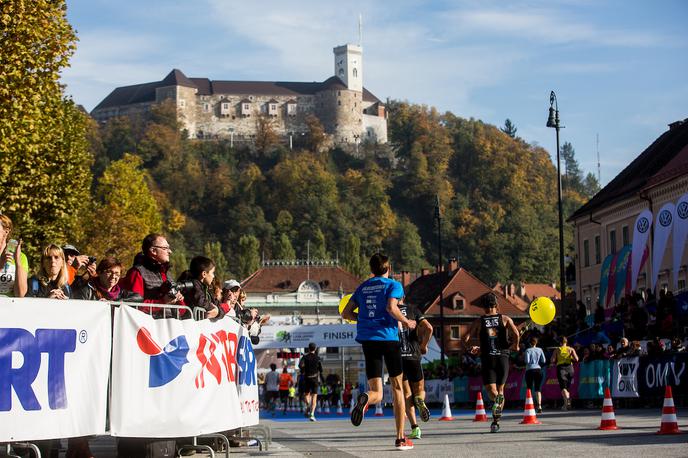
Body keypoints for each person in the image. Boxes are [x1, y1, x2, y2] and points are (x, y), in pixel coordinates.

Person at [342, 253, 416, 451]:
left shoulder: (362, 287)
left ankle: (366, 397)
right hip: (388, 340)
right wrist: (407, 321)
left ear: (372, 269)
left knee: (377, 392)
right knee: (398, 388)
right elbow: (392, 308)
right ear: (388, 268)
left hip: (368, 340)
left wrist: (364, 319)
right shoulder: (394, 285)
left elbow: (345, 313)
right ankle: (401, 438)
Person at [462, 292, 520, 433]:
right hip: (503, 358)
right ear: (496, 305)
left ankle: (496, 403)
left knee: (491, 391)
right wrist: (516, 346)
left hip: (488, 358)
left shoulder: (479, 321)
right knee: (501, 391)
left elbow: (465, 337)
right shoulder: (505, 319)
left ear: (483, 307)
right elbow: (516, 334)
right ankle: (495, 422)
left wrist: (471, 348)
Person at [119, 233, 186, 317]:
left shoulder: (167, 274)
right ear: (153, 251)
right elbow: (134, 305)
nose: (170, 251)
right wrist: (162, 302)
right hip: (149, 327)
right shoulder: (137, 272)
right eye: (165, 248)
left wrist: (179, 300)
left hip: (170, 326)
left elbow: (182, 311)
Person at [398, 297, 433, 440]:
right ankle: (420, 400)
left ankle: (415, 428)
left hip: (398, 357)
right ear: (403, 297)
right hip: (413, 355)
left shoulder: (389, 311)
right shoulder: (413, 310)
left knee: (406, 394)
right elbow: (429, 328)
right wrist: (423, 345)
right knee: (419, 390)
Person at [72, 256, 139, 302]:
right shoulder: (87, 290)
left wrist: (113, 303)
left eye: (117, 273)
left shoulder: (121, 293)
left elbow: (139, 298)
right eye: (109, 272)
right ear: (99, 272)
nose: (113, 276)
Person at [0, 214, 27, 297]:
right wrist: (1, 264)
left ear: (6, 231)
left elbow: (20, 294)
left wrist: (17, 261)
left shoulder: (21, 257)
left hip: (10, 307)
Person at [551, 336, 579, 410]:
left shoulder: (557, 349)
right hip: (570, 368)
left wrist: (556, 357)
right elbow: (576, 359)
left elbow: (552, 360)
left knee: (563, 388)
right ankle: (565, 405)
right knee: (566, 388)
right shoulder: (571, 349)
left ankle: (568, 400)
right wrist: (569, 357)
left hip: (561, 369)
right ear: (566, 342)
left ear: (560, 342)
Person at [299, 342, 323, 421]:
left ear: (308, 348)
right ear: (315, 349)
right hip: (315, 378)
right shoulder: (318, 358)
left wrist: (303, 370)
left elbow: (300, 365)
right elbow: (321, 370)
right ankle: (312, 414)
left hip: (307, 378)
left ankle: (308, 406)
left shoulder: (305, 357)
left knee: (306, 394)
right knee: (314, 396)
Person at [523, 336, 546, 413]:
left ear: (529, 343)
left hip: (530, 370)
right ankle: (539, 406)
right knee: (538, 389)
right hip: (538, 370)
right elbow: (544, 360)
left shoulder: (528, 350)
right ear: (536, 342)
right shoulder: (540, 350)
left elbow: (527, 361)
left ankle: (530, 405)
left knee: (529, 388)